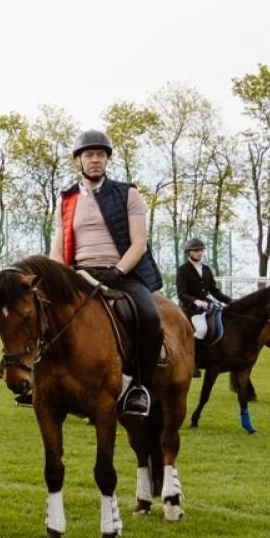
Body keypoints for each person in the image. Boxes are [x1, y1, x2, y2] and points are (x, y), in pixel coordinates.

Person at [49, 129, 163, 417]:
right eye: (89, 154)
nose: (95, 159)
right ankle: (34, 381)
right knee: (39, 312)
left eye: (101, 154)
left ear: (108, 160)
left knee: (150, 318)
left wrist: (117, 270)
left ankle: (140, 387)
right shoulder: (66, 200)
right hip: (78, 275)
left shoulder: (128, 193)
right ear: (79, 160)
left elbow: (139, 242)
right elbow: (57, 250)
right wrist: (59, 277)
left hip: (121, 273)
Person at [174, 237, 230, 348]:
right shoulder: (183, 270)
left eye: (201, 250)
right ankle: (194, 359)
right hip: (191, 308)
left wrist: (230, 301)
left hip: (208, 305)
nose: (199, 253)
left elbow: (215, 291)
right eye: (196, 250)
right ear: (188, 253)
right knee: (201, 329)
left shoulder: (206, 269)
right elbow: (181, 294)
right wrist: (195, 301)